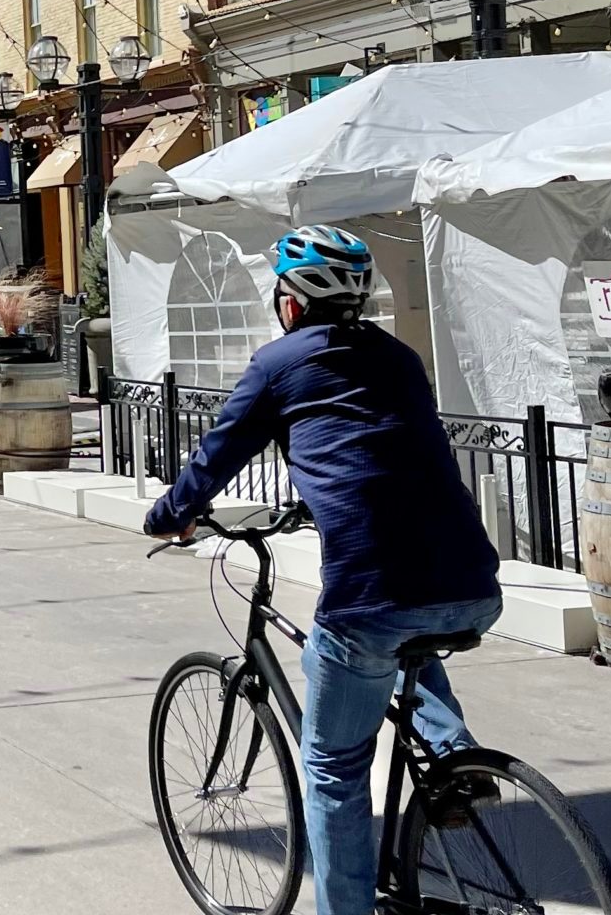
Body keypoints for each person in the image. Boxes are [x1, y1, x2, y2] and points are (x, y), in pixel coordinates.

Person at [142, 225, 502, 915]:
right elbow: (385, 450)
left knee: (334, 764)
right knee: (400, 640)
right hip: (473, 582)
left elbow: (216, 457)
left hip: (372, 590)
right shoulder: (399, 358)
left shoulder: (279, 364)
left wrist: (169, 514)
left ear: (293, 301)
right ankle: (455, 758)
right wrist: (319, 503)